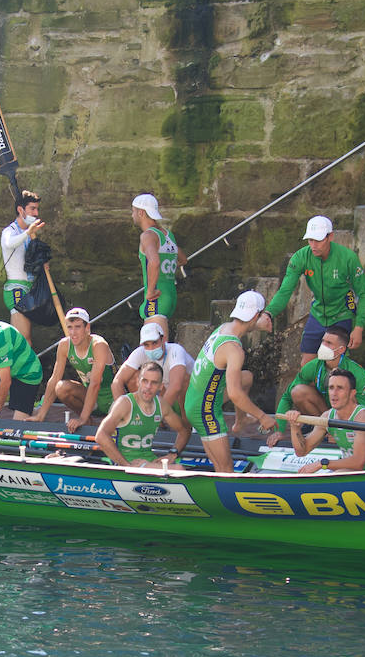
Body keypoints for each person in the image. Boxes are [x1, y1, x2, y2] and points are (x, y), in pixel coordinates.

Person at [183, 290, 275, 473]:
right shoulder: (233, 349)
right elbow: (234, 394)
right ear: (256, 315)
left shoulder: (225, 327)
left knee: (246, 377)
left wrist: (258, 325)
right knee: (226, 469)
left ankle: (239, 422)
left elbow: (245, 324)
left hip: (196, 398)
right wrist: (262, 417)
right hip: (205, 411)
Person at [264, 215, 365, 368]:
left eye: (319, 240)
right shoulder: (301, 257)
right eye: (310, 240)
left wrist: (359, 327)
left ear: (330, 237)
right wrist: (268, 313)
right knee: (307, 364)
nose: (313, 245)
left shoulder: (348, 258)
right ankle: (312, 391)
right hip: (318, 313)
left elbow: (364, 294)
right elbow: (285, 291)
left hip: (342, 313)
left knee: (336, 365)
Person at [266, 323, 365, 447]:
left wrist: (351, 432)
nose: (323, 346)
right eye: (323, 341)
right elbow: (287, 396)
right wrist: (279, 431)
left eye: (329, 343)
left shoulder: (358, 373)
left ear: (341, 349)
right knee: (298, 391)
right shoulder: (313, 366)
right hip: (323, 414)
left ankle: (338, 431)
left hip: (348, 420)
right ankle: (325, 431)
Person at [283, 369, 365, 473]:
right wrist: (294, 427)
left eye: (340, 388)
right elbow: (302, 451)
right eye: (331, 388)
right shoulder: (327, 416)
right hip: (349, 472)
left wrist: (322, 464)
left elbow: (358, 463)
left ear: (352, 393)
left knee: (334, 474)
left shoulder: (363, 416)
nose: (334, 393)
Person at [31, 307, 115, 430]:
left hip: (113, 400)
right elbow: (55, 378)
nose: (73, 332)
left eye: (77, 327)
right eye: (70, 327)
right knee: (61, 387)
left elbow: (95, 384)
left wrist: (82, 418)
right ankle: (88, 423)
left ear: (87, 328)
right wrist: (40, 415)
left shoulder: (99, 344)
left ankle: (86, 419)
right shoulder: (64, 345)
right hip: (91, 401)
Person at [95, 362, 191, 468]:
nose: (148, 387)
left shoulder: (161, 404)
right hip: (124, 464)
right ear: (138, 381)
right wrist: (127, 465)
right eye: (145, 381)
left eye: (154, 383)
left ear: (161, 386)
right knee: (179, 469)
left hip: (148, 462)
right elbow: (101, 435)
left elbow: (184, 430)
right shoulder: (125, 403)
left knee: (180, 468)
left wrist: (173, 454)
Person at [112, 321, 195, 423]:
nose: (151, 348)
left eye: (155, 343)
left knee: (184, 380)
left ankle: (188, 423)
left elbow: (176, 386)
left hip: (191, 398)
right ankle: (140, 418)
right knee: (133, 377)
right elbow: (117, 382)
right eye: (147, 345)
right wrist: (124, 414)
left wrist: (154, 417)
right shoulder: (140, 352)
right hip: (165, 396)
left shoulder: (176, 351)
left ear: (163, 339)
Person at [132, 193, 185, 341]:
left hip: (156, 298)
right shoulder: (168, 235)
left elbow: (154, 262)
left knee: (154, 352)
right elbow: (182, 259)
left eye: (133, 211)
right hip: (170, 294)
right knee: (159, 348)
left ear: (141, 213)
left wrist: (150, 291)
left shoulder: (148, 235)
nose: (132, 215)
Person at [0, 190, 45, 345]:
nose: (36, 213)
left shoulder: (29, 233)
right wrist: (28, 233)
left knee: (25, 339)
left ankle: (24, 368)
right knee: (22, 340)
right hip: (16, 290)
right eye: (32, 208)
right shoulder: (9, 231)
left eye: (37, 209)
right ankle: (20, 369)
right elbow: (9, 243)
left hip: (29, 290)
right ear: (21, 210)